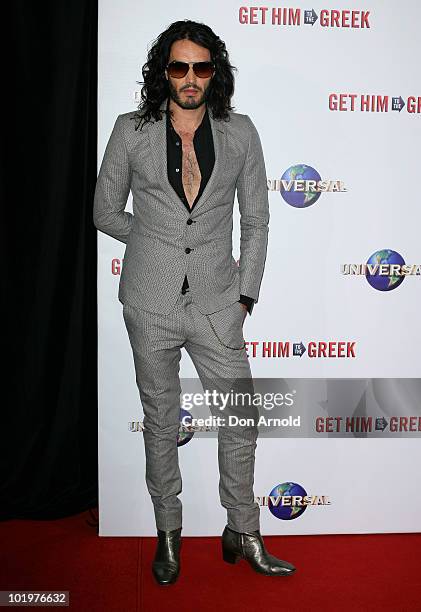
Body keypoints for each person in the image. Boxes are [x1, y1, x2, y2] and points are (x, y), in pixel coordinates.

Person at [93, 19, 296, 585]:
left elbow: (256, 219)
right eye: (179, 66)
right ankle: (169, 535)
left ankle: (244, 529)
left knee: (240, 417)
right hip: (149, 302)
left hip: (216, 302)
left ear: (215, 72)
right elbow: (104, 211)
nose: (190, 77)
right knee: (161, 421)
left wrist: (245, 295)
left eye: (201, 67)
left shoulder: (240, 133)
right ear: (165, 71)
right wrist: (156, 241)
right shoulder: (131, 130)